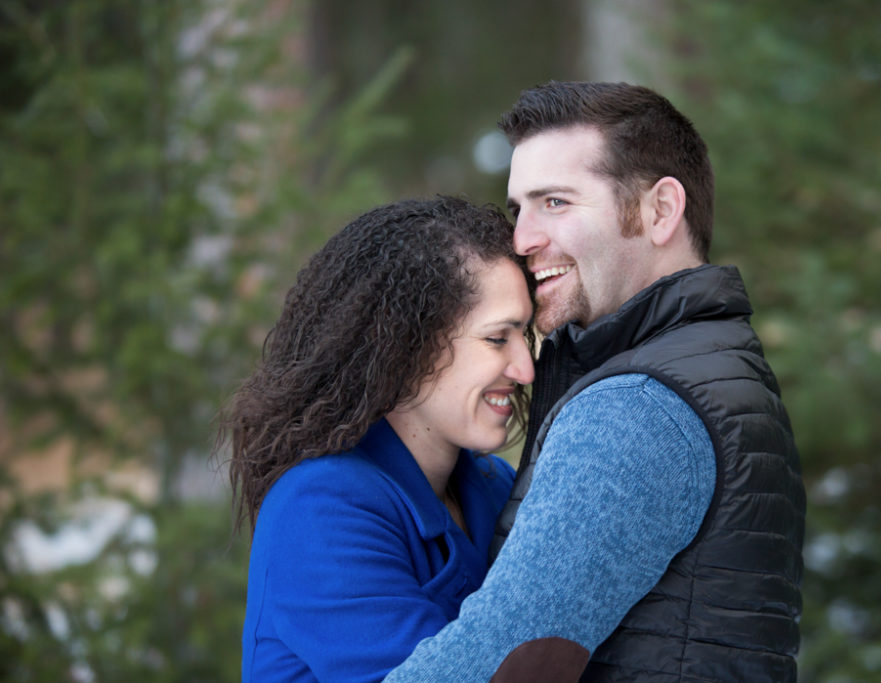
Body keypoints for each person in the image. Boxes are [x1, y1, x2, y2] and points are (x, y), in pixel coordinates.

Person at [386, 82, 806, 682]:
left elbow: (498, 662)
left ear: (661, 210)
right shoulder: (708, 371)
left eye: (555, 202)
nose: (522, 239)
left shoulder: (639, 410)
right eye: (517, 209)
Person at [219, 197, 536, 682]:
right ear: (408, 347)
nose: (525, 368)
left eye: (525, 335)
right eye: (498, 338)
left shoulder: (494, 486)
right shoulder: (319, 508)